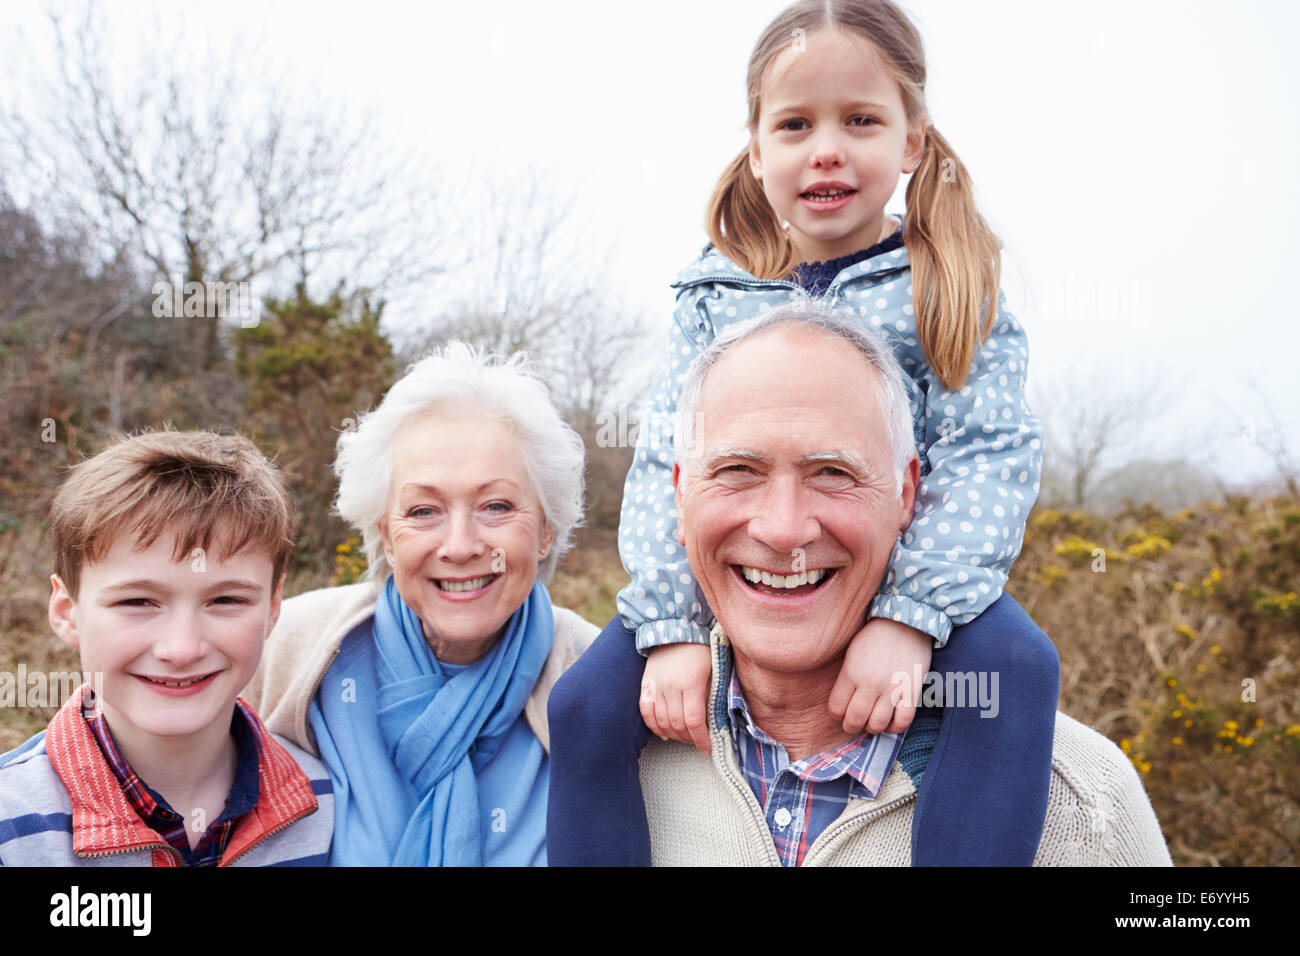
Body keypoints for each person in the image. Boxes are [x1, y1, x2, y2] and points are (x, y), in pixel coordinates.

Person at [548, 0, 1059, 866]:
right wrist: (672, 622)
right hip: (745, 573)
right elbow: (671, 457)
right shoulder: (715, 291)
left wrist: (911, 616)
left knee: (1015, 674)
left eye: (860, 119)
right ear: (756, 150)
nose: (827, 148)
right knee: (583, 709)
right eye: (795, 124)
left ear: (912, 142)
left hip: (912, 570)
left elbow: (988, 456)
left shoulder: (947, 283)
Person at [632, 302, 1170, 865]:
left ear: (908, 495)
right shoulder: (606, 763)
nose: (784, 529)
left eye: (833, 473)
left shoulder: (1085, 806)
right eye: (737, 471)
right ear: (678, 496)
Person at [241, 342, 598, 866]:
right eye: (424, 510)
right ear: (386, 537)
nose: (459, 545)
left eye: (496, 505)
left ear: (546, 530)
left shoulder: (598, 672)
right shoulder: (285, 647)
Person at [0, 431, 333, 866]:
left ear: (272, 609)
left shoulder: (325, 804)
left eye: (226, 600)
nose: (182, 649)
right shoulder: (11, 824)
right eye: (137, 602)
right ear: (67, 612)